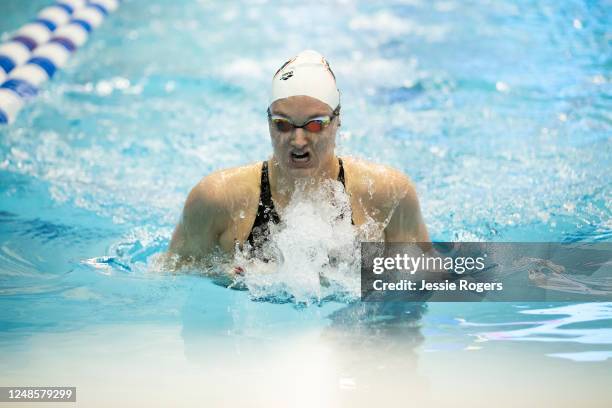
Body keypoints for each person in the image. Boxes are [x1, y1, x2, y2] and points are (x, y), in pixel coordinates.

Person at [168, 50, 430, 266]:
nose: (298, 140)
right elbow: (172, 281)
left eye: (315, 125)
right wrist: (222, 277)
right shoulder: (217, 199)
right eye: (283, 124)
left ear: (337, 121)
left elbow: (428, 282)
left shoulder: (389, 194)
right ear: (268, 121)